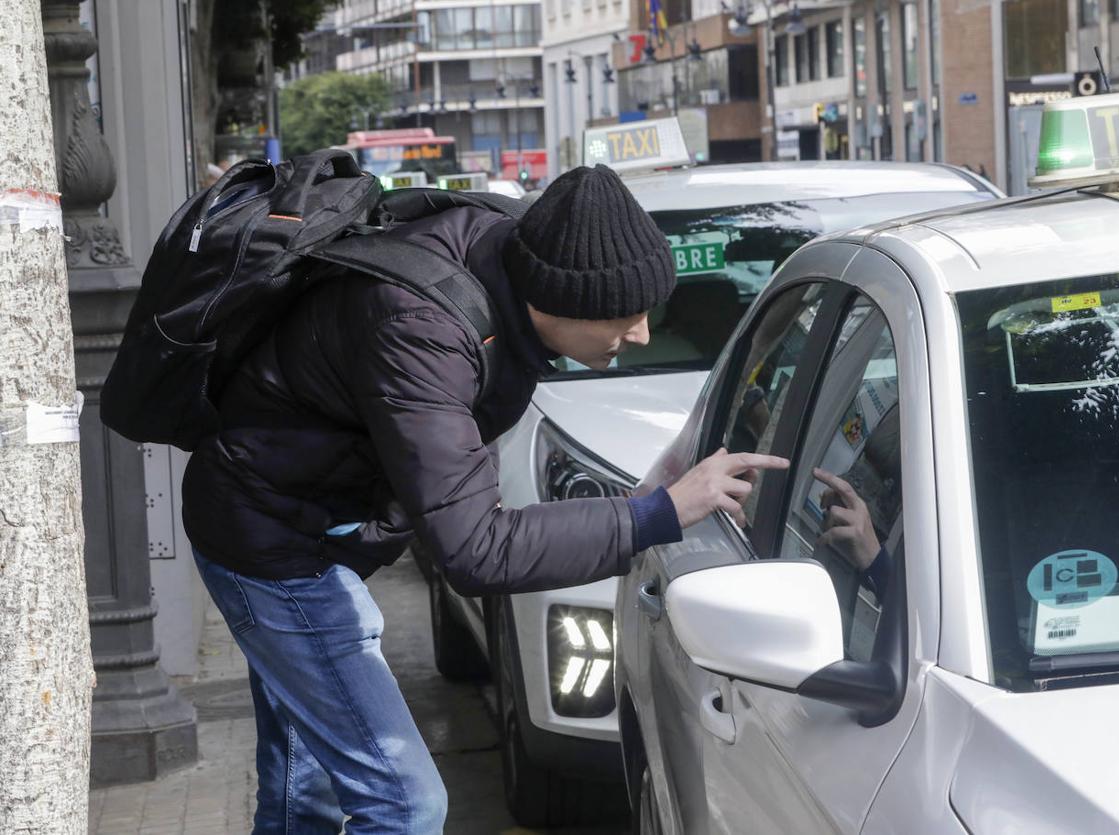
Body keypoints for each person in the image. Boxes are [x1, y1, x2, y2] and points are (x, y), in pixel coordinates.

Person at [180, 164, 788, 834]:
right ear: (559, 301)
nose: (642, 334)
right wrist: (652, 517)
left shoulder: (506, 268)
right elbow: (474, 547)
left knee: (304, 790)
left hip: (294, 521)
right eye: (626, 314)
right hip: (272, 545)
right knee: (403, 803)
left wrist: (645, 497)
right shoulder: (423, 329)